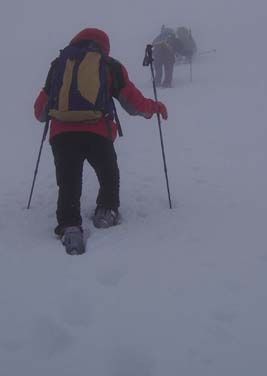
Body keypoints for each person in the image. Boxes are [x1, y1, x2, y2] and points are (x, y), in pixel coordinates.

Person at [33, 27, 168, 254]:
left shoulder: (59, 64)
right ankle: (106, 211)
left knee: (68, 182)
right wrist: (153, 108)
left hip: (62, 135)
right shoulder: (109, 65)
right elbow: (132, 103)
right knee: (108, 173)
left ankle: (70, 226)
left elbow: (40, 112)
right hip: (97, 133)